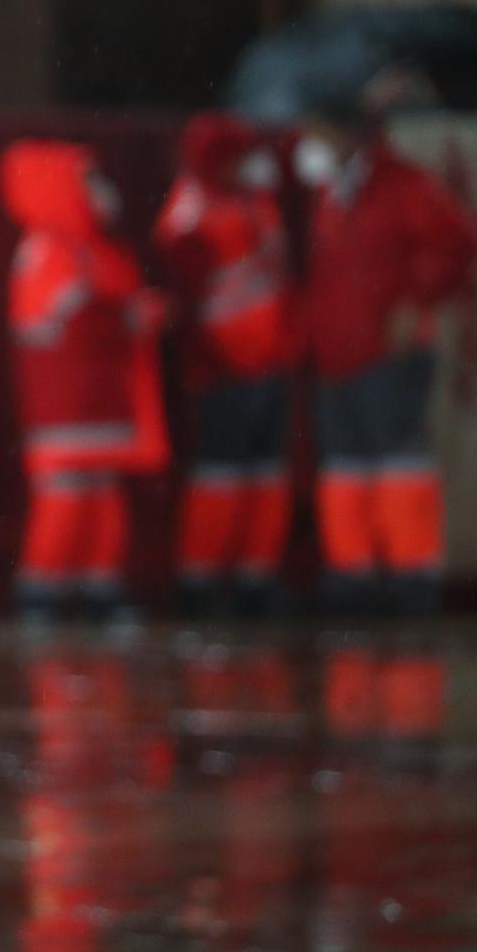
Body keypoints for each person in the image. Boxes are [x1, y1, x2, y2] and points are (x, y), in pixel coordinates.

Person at [293, 109, 477, 615]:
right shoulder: (330, 192)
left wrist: (416, 300)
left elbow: (459, 242)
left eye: (318, 128)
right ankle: (353, 581)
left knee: (398, 469)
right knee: (346, 473)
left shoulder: (402, 185)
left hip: (389, 355)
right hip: (336, 356)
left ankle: (411, 582)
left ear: (349, 132)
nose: (308, 140)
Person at [1, 141, 169, 627]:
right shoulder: (45, 251)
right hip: (66, 407)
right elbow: (53, 326)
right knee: (66, 498)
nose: (103, 192)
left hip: (101, 401)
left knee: (102, 498)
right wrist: (127, 318)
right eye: (90, 181)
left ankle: (99, 589)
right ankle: (42, 593)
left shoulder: (93, 249)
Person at [151, 113, 298, 616]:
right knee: (221, 477)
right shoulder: (191, 215)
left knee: (264, 477)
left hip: (269, 360)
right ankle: (202, 582)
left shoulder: (253, 200)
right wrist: (209, 363)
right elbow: (187, 307)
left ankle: (256, 580)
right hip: (224, 369)